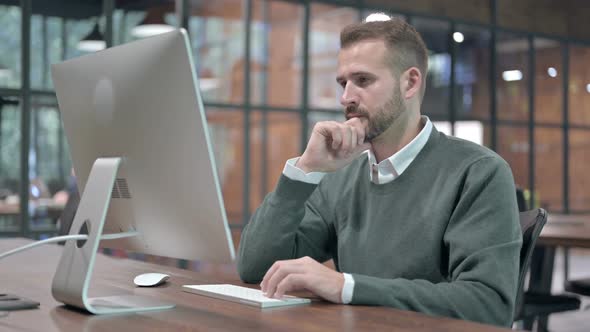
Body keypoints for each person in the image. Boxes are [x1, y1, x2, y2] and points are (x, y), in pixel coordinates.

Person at [237, 17, 521, 327]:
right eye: (343, 83)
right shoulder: (340, 176)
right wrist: (306, 169)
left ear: (410, 83)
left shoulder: (479, 172)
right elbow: (256, 268)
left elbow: (488, 305)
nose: (346, 97)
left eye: (363, 80)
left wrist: (347, 286)